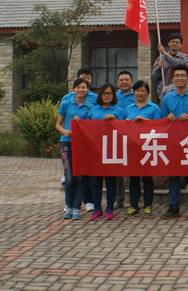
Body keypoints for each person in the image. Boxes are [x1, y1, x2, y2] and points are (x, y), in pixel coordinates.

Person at [160, 65, 188, 221]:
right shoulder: (166, 98)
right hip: (173, 142)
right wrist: (168, 118)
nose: (180, 78)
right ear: (173, 79)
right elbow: (162, 119)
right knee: (173, 175)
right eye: (177, 75)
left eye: (183, 75)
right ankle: (173, 206)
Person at [82, 83, 124, 221]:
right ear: (100, 95)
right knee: (95, 181)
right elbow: (85, 128)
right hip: (95, 149)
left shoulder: (118, 111)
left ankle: (109, 208)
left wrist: (114, 121)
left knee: (110, 180)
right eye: (104, 93)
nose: (107, 96)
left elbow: (124, 130)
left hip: (111, 149)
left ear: (113, 96)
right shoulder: (93, 110)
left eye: (109, 93)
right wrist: (77, 121)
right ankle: (97, 209)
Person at [123, 80, 161, 219]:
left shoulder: (154, 108)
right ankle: (133, 206)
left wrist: (144, 120)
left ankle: (147, 205)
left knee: (147, 178)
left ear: (147, 93)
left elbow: (159, 126)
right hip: (132, 147)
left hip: (148, 147)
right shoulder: (128, 109)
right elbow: (121, 127)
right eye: (137, 91)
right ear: (133, 93)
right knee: (133, 178)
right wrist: (126, 123)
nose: (140, 93)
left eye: (142, 91)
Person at [56, 78, 93, 220]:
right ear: (74, 89)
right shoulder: (66, 104)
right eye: (78, 87)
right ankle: (68, 206)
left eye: (83, 87)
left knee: (81, 177)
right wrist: (64, 131)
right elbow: (58, 124)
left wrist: (82, 122)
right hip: (67, 143)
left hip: (83, 145)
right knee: (69, 177)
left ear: (87, 89)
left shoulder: (90, 106)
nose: (80, 90)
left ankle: (77, 207)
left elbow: (92, 125)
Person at [114, 70, 135, 208]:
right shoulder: (114, 97)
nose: (124, 82)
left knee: (135, 168)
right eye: (121, 80)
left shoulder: (137, 95)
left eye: (127, 80)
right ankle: (119, 199)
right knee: (118, 170)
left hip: (134, 137)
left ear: (131, 82)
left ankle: (136, 199)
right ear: (118, 83)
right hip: (117, 136)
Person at [152, 32, 188, 99]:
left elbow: (177, 65)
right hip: (164, 91)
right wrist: (158, 67)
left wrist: (164, 52)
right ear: (168, 43)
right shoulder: (160, 58)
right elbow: (154, 76)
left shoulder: (184, 57)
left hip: (179, 91)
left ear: (181, 45)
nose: (175, 44)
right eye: (173, 42)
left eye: (177, 42)